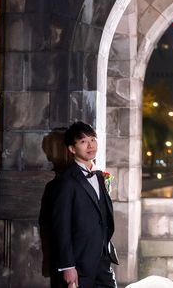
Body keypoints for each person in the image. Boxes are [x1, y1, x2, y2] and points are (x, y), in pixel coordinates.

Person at [51, 121, 119, 288]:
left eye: (93, 139)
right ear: (72, 149)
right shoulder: (66, 181)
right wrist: (68, 266)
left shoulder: (100, 176)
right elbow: (61, 226)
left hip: (103, 260)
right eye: (83, 141)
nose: (90, 145)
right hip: (79, 262)